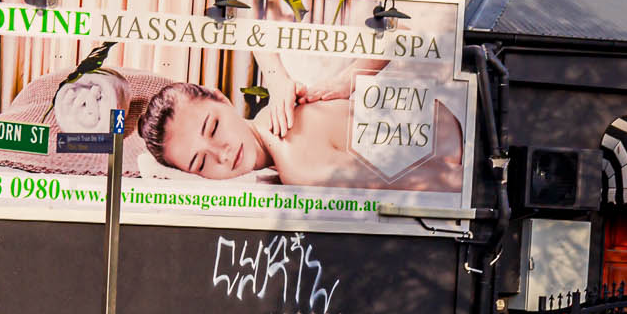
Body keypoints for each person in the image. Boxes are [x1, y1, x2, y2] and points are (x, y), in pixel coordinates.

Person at [139, 81, 465, 193]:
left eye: (213, 128)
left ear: (221, 98)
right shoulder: (275, 123)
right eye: (201, 163)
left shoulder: (296, 163)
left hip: (463, 142)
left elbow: (445, 179)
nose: (221, 154)